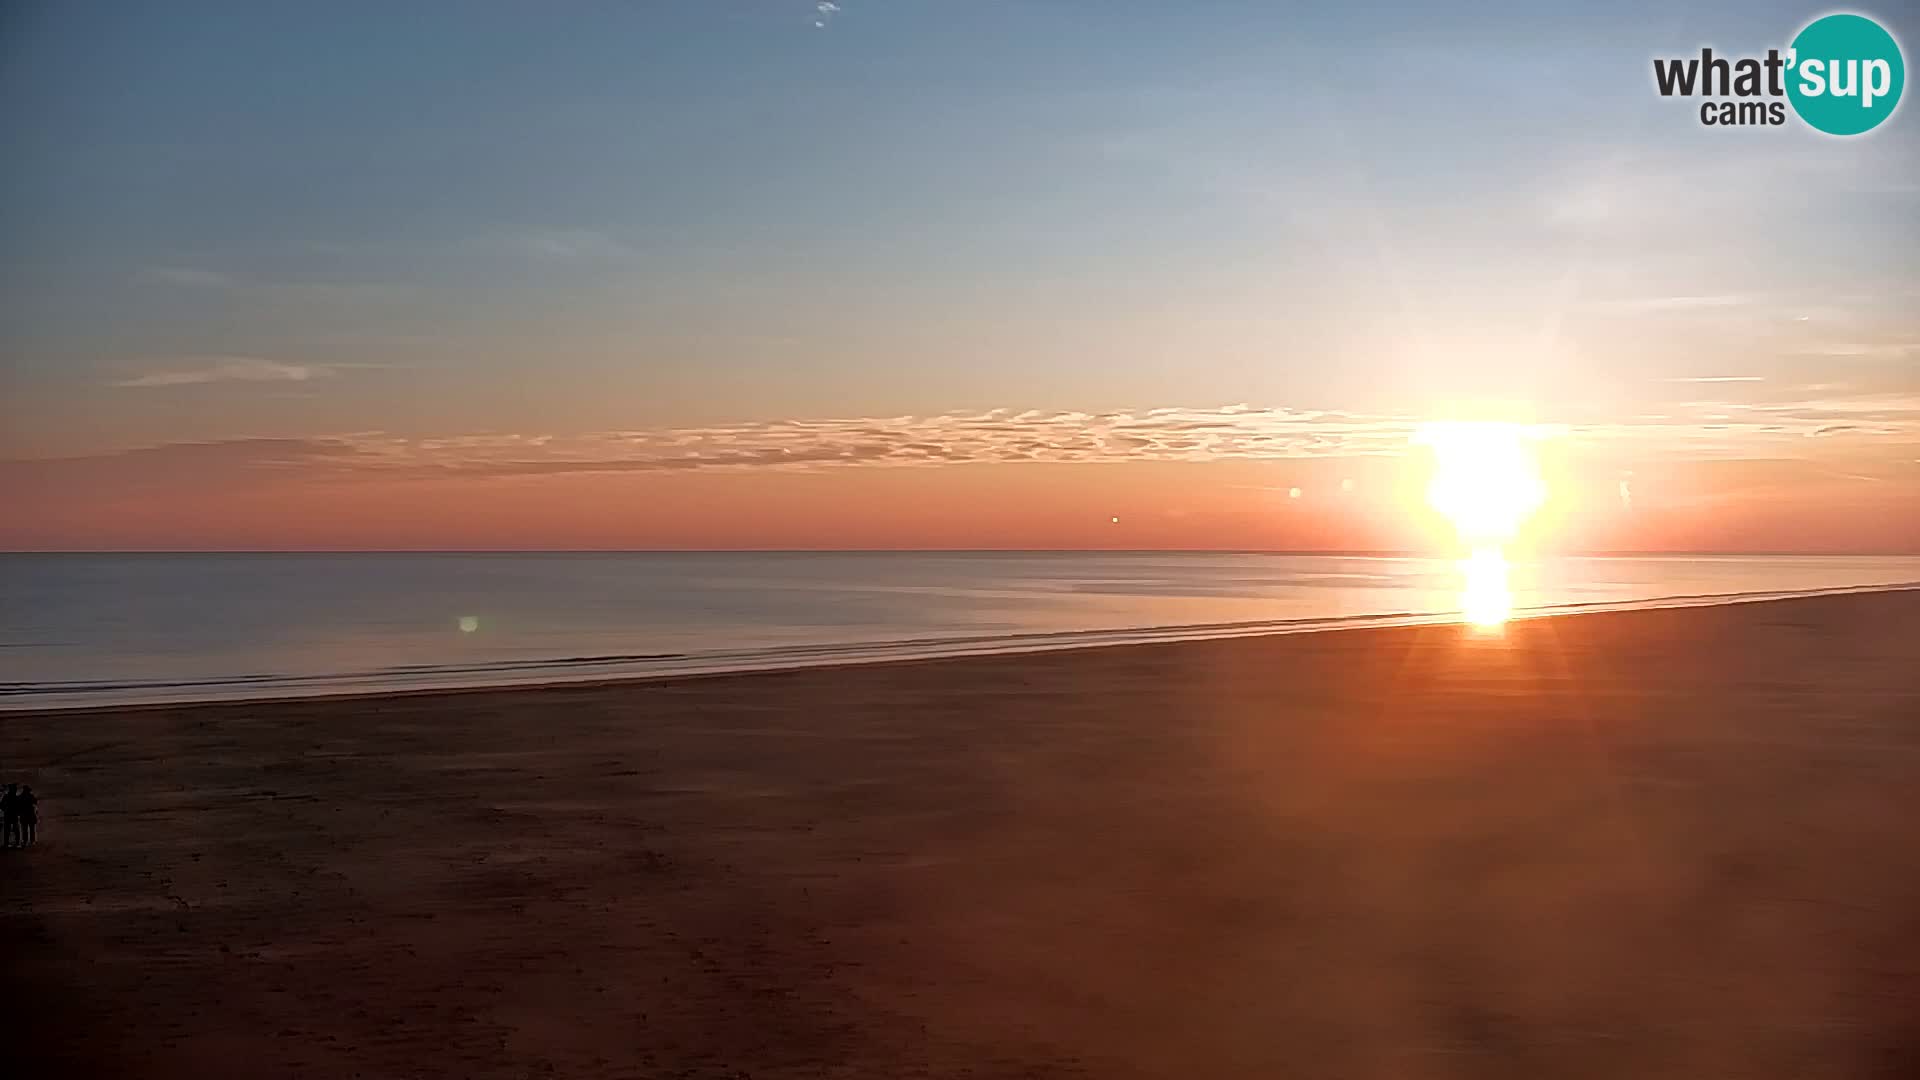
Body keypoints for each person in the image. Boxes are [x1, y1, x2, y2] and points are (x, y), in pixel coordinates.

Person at [1, 784, 16, 849]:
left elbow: (1, 805)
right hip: (14, 815)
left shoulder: (6, 797)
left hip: (7, 815)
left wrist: (5, 810)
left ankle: (6, 843)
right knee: (16, 829)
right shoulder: (15, 797)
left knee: (7, 830)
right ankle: (16, 842)